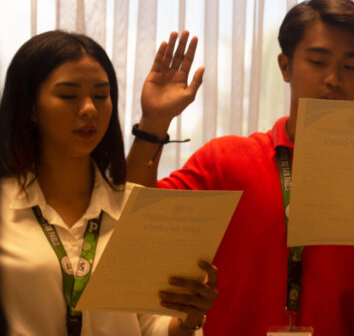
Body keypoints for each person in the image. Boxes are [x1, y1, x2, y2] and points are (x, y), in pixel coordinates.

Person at [124, 0, 354, 336]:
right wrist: (153, 124)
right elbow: (134, 221)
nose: (334, 79)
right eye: (318, 62)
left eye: (351, 66)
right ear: (285, 66)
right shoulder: (226, 161)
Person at [0, 31, 217, 335]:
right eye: (68, 95)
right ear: (31, 108)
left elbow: (149, 323)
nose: (89, 108)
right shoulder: (5, 208)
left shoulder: (138, 207)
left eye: (101, 95)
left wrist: (188, 319)